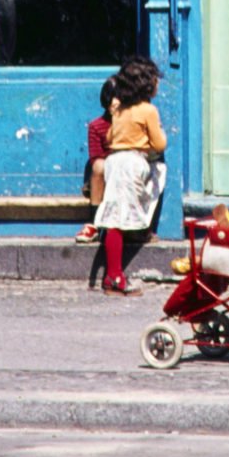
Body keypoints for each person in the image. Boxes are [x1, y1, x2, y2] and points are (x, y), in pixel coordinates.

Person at [92, 56, 167, 295]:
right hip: (133, 163)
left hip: (115, 162)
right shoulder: (148, 110)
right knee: (118, 220)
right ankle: (114, 277)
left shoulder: (120, 110)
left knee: (115, 217)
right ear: (147, 84)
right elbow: (159, 143)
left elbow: (110, 139)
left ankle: (111, 276)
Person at [74, 75, 117, 244]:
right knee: (98, 166)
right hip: (107, 169)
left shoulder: (132, 122)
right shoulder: (96, 126)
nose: (115, 104)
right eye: (111, 99)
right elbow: (95, 157)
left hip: (127, 169)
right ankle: (94, 223)